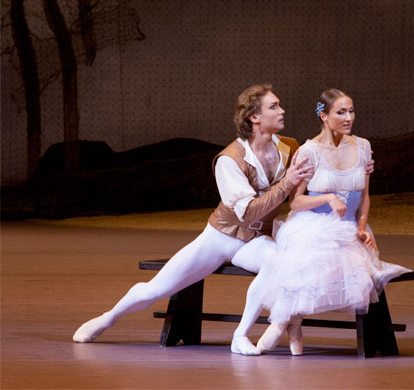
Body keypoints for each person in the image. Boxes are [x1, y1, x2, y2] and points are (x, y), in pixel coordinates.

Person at [72, 84, 315, 356]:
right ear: (254, 117)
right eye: (274, 106)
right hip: (221, 237)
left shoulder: (289, 147)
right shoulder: (230, 160)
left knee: (276, 261)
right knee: (156, 289)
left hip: (256, 240)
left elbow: (317, 160)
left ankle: (241, 335)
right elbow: (248, 212)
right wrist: (287, 183)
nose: (282, 110)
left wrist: (353, 168)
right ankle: (107, 318)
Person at [237, 88, 410, 355]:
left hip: (349, 226)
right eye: (341, 112)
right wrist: (327, 197)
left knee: (352, 262)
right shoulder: (309, 151)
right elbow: (295, 202)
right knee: (314, 255)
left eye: (351, 111)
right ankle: (284, 321)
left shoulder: (363, 146)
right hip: (312, 224)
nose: (348, 117)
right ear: (324, 116)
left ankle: (292, 321)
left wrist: (362, 227)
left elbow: (365, 196)